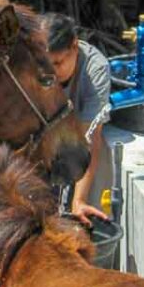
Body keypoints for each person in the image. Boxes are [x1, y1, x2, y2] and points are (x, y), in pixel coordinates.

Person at [42, 13, 113, 224]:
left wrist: (79, 200)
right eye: (46, 64)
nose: (51, 72)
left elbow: (91, 138)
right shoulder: (32, 64)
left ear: (74, 46)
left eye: (58, 63)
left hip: (79, 136)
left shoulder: (95, 70)